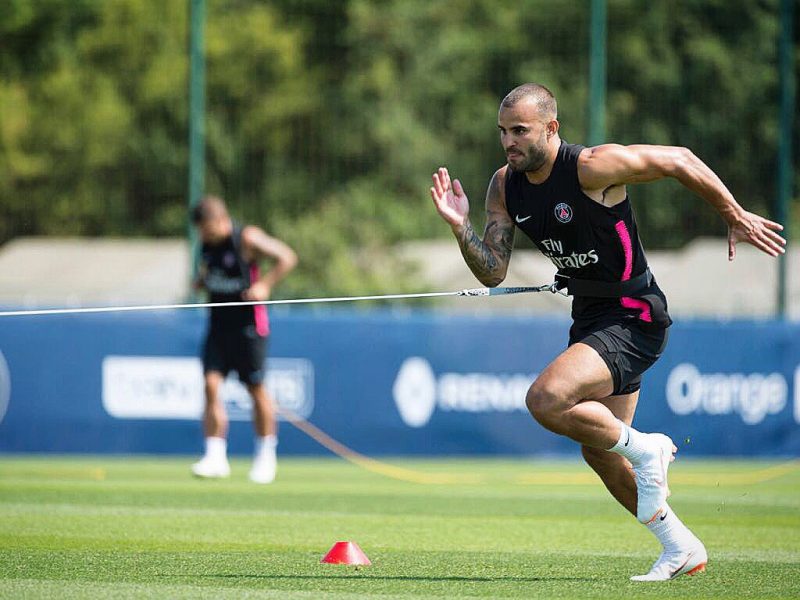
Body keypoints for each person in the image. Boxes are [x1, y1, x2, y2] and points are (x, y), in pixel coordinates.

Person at [430, 83, 785, 581]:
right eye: (503, 132)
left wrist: (733, 213)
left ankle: (648, 448)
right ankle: (679, 545)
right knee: (597, 448)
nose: (509, 141)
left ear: (551, 128)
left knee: (545, 400)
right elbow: (492, 272)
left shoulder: (591, 166)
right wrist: (459, 226)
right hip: (593, 318)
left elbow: (679, 158)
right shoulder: (503, 186)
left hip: (634, 315)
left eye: (520, 130)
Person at [190, 196, 298, 484]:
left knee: (256, 389)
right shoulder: (206, 246)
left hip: (249, 328)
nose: (204, 235)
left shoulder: (247, 238)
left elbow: (287, 257)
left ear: (220, 219)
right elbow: (212, 274)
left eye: (207, 229)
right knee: (210, 385)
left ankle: (266, 456)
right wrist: (201, 282)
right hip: (218, 327)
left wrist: (265, 284)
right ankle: (215, 456)